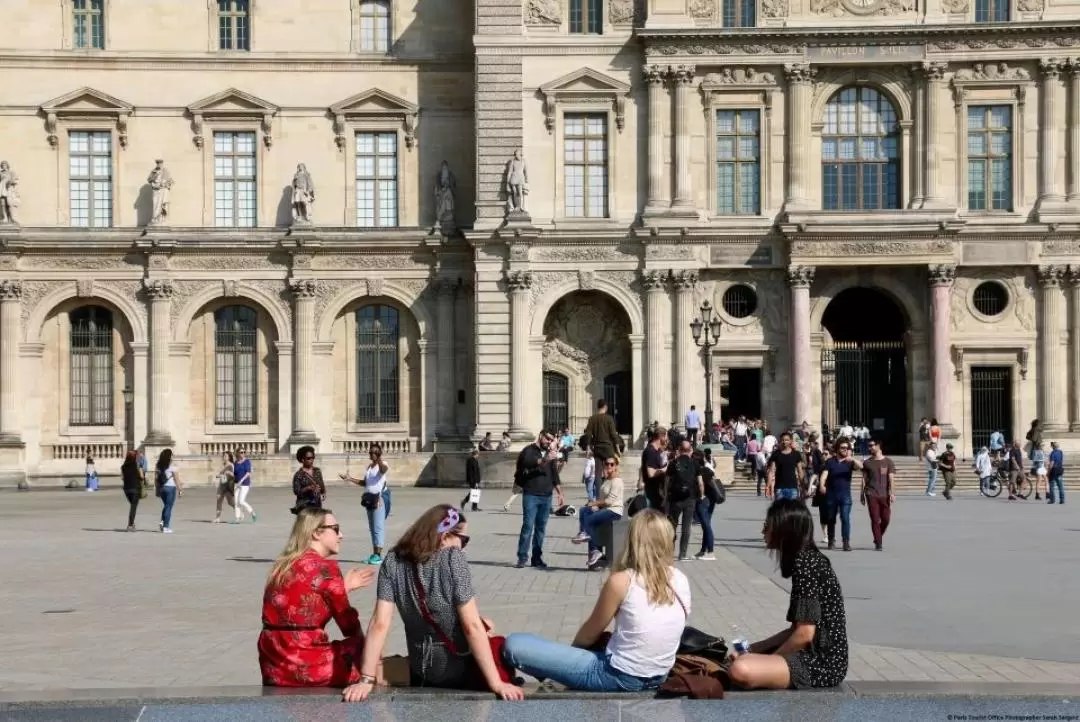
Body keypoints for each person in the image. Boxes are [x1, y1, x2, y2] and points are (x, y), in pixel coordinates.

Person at [343, 505, 525, 702]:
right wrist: (496, 683)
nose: (463, 547)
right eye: (463, 540)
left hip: (422, 670)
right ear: (445, 536)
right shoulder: (453, 559)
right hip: (459, 669)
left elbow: (379, 623)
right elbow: (471, 626)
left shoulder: (393, 560)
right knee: (506, 642)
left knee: (485, 623)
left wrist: (366, 679)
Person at [504, 509, 690, 692]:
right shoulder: (680, 579)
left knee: (515, 644)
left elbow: (589, 634)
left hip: (617, 675)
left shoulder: (623, 581)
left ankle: (551, 671)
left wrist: (571, 657)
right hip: (660, 675)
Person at [728, 500, 848, 690]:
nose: (763, 532)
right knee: (742, 661)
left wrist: (766, 661)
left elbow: (804, 635)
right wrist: (753, 650)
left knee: (741, 670)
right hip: (816, 655)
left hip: (822, 663)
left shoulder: (806, 565)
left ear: (784, 531)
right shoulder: (807, 560)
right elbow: (795, 630)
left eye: (767, 526)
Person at [259, 508, 376, 687]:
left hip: (274, 664)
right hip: (308, 663)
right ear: (316, 533)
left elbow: (302, 608)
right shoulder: (326, 569)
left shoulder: (281, 566)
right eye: (335, 529)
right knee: (371, 650)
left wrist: (343, 588)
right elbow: (347, 623)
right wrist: (364, 645)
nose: (341, 535)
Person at [513, 430, 563, 569]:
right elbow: (529, 463)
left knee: (541, 529)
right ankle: (522, 557)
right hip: (531, 495)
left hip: (547, 496)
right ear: (541, 436)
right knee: (528, 527)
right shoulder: (529, 450)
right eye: (547, 438)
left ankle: (537, 558)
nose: (549, 442)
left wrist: (560, 492)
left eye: (551, 439)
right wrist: (546, 458)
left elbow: (554, 473)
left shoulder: (550, 453)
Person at [572, 456, 625, 568]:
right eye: (607, 463)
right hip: (605, 509)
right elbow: (602, 498)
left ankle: (592, 545)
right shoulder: (606, 480)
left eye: (612, 464)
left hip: (614, 511)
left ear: (616, 466)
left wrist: (595, 503)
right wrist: (595, 506)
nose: (609, 466)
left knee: (590, 520)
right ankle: (592, 547)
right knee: (584, 510)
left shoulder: (617, 481)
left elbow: (610, 501)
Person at [342, 445, 390, 565]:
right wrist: (349, 478)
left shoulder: (382, 464)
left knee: (378, 527)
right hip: (369, 499)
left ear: (379, 453)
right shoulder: (369, 467)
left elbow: (383, 470)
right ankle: (374, 554)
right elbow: (365, 483)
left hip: (379, 499)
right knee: (372, 528)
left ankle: (378, 555)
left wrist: (379, 459)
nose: (372, 454)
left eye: (375, 452)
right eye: (371, 452)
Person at [818, 440, 862, 552]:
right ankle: (831, 540)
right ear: (837, 448)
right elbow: (824, 474)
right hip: (831, 495)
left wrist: (851, 458)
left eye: (847, 448)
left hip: (845, 496)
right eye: (842, 447)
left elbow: (861, 466)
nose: (845, 450)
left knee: (845, 518)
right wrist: (822, 484)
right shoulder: (830, 462)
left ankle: (846, 542)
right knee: (831, 519)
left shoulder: (850, 462)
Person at [665, 440, 703, 562]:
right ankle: (682, 554)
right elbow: (700, 483)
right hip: (690, 498)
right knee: (686, 527)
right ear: (690, 450)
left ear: (679, 450)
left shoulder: (673, 463)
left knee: (672, 526)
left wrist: (666, 495)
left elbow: (666, 481)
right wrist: (701, 496)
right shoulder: (695, 464)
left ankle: (669, 552)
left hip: (675, 499)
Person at [861, 439, 895, 552]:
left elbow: (891, 479)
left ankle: (878, 536)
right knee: (875, 519)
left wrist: (892, 493)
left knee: (886, 519)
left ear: (878, 446)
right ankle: (878, 542)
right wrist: (862, 493)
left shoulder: (888, 462)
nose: (869, 448)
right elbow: (864, 479)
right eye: (868, 446)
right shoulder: (867, 463)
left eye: (871, 445)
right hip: (871, 493)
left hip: (884, 494)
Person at [583, 399, 624, 488]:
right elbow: (613, 434)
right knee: (612, 468)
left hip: (597, 448)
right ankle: (610, 488)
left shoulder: (592, 418)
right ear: (606, 407)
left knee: (598, 472)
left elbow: (588, 434)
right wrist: (617, 449)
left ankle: (598, 494)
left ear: (597, 407)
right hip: (608, 448)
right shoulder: (609, 418)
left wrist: (588, 448)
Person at [692, 448, 717, 561]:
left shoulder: (699, 470)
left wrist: (701, 496)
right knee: (705, 525)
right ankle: (703, 550)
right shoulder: (707, 468)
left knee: (706, 525)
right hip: (711, 499)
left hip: (703, 499)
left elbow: (700, 484)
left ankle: (710, 552)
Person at [766, 432, 804, 501]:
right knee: (780, 510)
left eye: (786, 440)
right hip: (779, 487)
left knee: (792, 510)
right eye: (782, 440)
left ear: (790, 441)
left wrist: (803, 485)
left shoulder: (796, 454)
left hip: (793, 487)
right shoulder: (776, 454)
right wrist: (768, 485)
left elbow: (800, 471)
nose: (784, 442)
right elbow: (771, 471)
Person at [639, 426, 668, 510]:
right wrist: (666, 469)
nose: (666, 440)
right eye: (666, 437)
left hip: (658, 490)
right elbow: (651, 473)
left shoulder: (657, 450)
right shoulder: (650, 451)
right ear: (661, 437)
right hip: (653, 491)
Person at [155, 449, 183, 534]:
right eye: (172, 455)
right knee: (168, 507)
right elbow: (176, 479)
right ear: (170, 456)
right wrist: (180, 489)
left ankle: (162, 522)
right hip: (170, 488)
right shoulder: (172, 465)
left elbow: (156, 479)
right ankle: (166, 527)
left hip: (162, 488)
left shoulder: (158, 465)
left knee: (166, 506)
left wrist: (157, 490)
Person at [292, 445, 326, 514]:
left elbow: (322, 485)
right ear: (302, 460)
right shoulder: (299, 475)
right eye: (309, 458)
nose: (311, 460)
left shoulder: (317, 471)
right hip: (304, 506)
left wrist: (323, 492)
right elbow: (296, 492)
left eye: (313, 458)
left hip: (317, 505)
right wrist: (308, 488)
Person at [233, 447, 257, 523]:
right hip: (236, 484)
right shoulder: (236, 462)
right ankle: (237, 518)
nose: (243, 454)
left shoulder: (247, 461)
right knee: (236, 502)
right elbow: (234, 474)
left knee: (241, 501)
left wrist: (241, 480)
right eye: (241, 452)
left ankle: (252, 512)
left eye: (244, 452)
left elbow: (248, 473)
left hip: (245, 484)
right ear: (237, 453)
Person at [120, 450, 142, 532]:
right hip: (135, 488)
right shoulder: (136, 465)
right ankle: (130, 525)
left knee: (132, 506)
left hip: (126, 489)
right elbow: (141, 477)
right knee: (133, 507)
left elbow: (122, 477)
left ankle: (132, 524)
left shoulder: (123, 466)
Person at [214, 451, 236, 523]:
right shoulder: (223, 465)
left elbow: (234, 475)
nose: (224, 457)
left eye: (226, 456)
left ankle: (238, 511)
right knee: (219, 500)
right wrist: (218, 476)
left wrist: (229, 473)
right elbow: (219, 474)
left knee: (230, 502)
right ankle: (217, 518)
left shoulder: (231, 465)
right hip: (221, 484)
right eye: (224, 456)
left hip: (228, 485)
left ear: (229, 457)